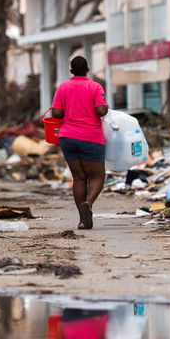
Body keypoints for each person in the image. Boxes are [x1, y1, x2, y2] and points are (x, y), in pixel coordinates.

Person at [51, 56, 109, 229]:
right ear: (88, 70)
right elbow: (101, 110)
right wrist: (104, 106)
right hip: (91, 137)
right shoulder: (94, 87)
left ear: (71, 71)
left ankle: (83, 220)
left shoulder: (63, 87)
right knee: (97, 175)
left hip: (67, 137)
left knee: (78, 178)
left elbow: (56, 113)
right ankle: (89, 204)